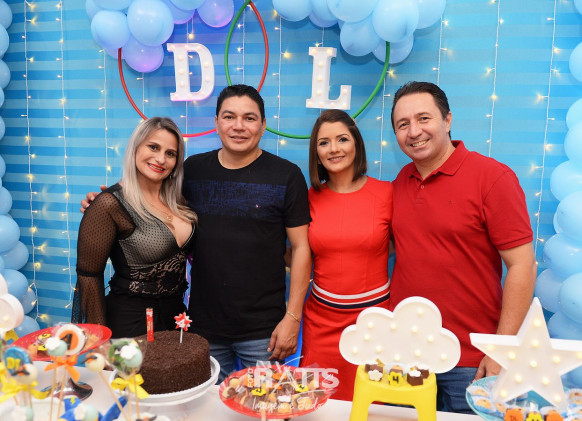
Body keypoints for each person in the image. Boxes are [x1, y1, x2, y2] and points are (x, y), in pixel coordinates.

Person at [389, 81, 537, 413]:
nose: (414, 132)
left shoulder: (492, 177)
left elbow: (523, 265)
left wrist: (501, 350)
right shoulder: (400, 183)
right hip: (407, 355)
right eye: (402, 124)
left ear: (447, 120)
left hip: (471, 360)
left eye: (424, 118)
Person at [182, 85, 311, 381]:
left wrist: (293, 318)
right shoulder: (193, 170)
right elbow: (154, 204)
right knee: (209, 404)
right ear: (216, 122)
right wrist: (106, 202)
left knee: (266, 403)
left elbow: (301, 248)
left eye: (249, 118)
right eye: (229, 117)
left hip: (265, 331)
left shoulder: (286, 175)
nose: (238, 126)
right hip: (204, 326)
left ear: (263, 125)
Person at [73, 117, 197, 338]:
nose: (161, 159)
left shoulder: (180, 200)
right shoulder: (109, 204)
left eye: (170, 153)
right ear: (135, 148)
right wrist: (100, 340)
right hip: (131, 325)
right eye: (153, 147)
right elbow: (89, 276)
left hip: (177, 321)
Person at [299, 109, 393, 401]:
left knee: (373, 408)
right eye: (324, 142)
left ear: (357, 144)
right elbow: (298, 254)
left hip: (375, 324)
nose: (334, 149)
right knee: (317, 405)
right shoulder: (307, 199)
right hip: (321, 324)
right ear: (316, 153)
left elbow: (399, 246)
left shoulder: (387, 193)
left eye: (342, 139)